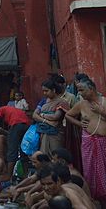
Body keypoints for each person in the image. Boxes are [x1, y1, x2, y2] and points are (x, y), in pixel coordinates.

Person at [65, 78, 106, 207]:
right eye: (78, 91)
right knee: (89, 171)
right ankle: (94, 199)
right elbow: (68, 115)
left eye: (82, 90)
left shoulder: (104, 101)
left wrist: (101, 112)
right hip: (88, 142)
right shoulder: (81, 104)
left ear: (91, 89)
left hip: (103, 142)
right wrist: (79, 123)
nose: (80, 93)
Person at [0, 102, 31, 176]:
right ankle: (25, 174)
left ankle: (8, 175)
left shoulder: (2, 108)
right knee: (23, 150)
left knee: (12, 150)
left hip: (16, 125)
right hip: (26, 126)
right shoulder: (15, 110)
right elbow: (14, 134)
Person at [33, 79, 67, 154]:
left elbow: (56, 117)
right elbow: (34, 115)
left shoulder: (62, 102)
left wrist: (42, 115)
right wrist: (47, 121)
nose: (44, 93)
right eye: (43, 91)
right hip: (43, 132)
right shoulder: (43, 101)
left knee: (55, 155)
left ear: (54, 90)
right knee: (44, 156)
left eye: (46, 91)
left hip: (55, 134)